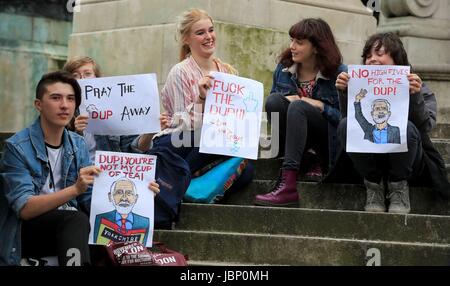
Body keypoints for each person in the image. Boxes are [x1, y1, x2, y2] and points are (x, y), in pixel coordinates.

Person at [135, 8, 253, 188]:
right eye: (200, 32)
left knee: (246, 171)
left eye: (211, 30)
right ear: (186, 39)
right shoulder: (180, 72)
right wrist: (201, 99)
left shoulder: (229, 72)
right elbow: (185, 126)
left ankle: (185, 181)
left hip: (213, 142)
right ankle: (177, 182)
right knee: (202, 136)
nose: (209, 36)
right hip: (179, 140)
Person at [335, 32, 450, 214]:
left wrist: (415, 95)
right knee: (344, 125)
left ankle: (398, 188)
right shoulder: (356, 84)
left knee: (406, 127)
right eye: (368, 56)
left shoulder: (418, 86)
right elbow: (351, 124)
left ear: (397, 59)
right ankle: (373, 186)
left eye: (379, 54)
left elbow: (425, 128)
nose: (372, 59)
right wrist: (344, 93)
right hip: (370, 158)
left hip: (408, 160)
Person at [254, 18, 345, 207]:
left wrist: (321, 106)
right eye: (292, 40)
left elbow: (346, 121)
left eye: (299, 42)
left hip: (326, 144)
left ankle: (287, 183)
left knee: (299, 107)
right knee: (274, 101)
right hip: (295, 142)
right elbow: (274, 104)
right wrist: (291, 100)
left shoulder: (339, 73)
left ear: (317, 47)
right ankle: (300, 161)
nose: (292, 46)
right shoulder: (284, 68)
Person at [62, 57, 145, 161]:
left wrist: (150, 132)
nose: (82, 79)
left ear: (97, 78)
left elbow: (131, 149)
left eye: (87, 74)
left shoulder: (116, 109)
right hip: (79, 174)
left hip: (110, 173)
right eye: (76, 75)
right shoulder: (63, 110)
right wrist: (77, 133)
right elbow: (59, 157)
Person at [94, 178, 150, 245]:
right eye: (119, 193)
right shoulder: (99, 219)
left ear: (136, 198)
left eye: (129, 193)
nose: (124, 198)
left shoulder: (145, 222)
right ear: (110, 197)